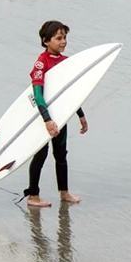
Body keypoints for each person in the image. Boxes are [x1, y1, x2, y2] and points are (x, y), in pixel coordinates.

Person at [23, 20, 88, 207]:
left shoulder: (66, 62)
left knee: (61, 155)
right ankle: (33, 196)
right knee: (41, 155)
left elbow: (70, 94)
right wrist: (47, 120)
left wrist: (81, 115)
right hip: (42, 118)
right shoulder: (40, 64)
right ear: (45, 41)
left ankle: (64, 193)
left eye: (65, 38)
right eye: (58, 38)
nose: (63, 42)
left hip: (61, 116)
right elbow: (37, 94)